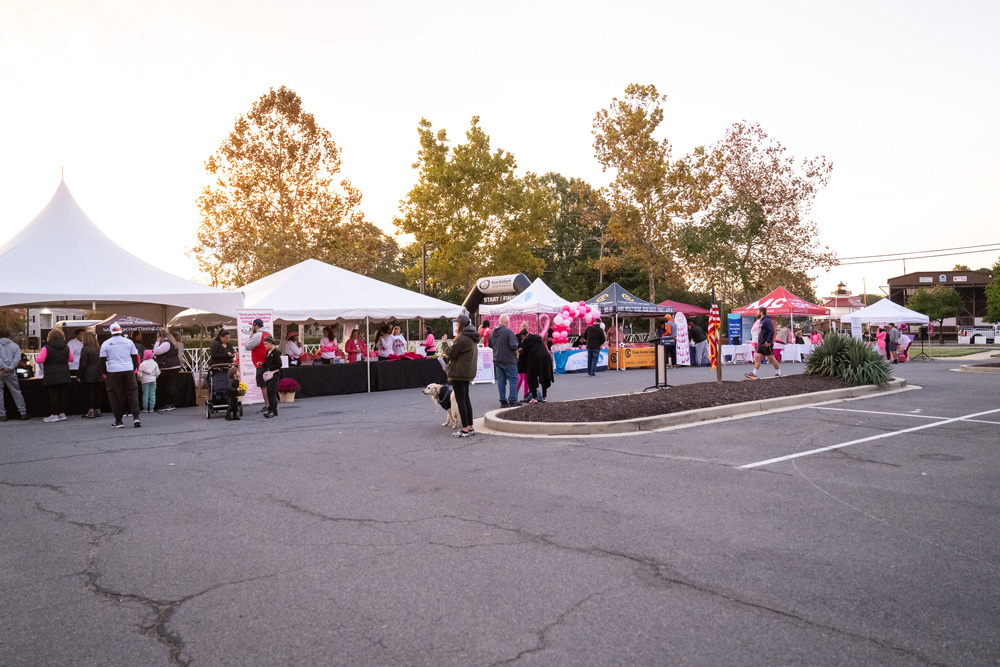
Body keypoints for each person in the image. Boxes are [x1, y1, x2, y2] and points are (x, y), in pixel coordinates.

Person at [100, 322, 141, 428]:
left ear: (111, 332)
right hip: (128, 369)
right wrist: (133, 369)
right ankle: (136, 417)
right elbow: (135, 358)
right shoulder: (129, 342)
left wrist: (105, 373)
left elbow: (102, 361)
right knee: (132, 393)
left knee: (115, 395)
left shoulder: (105, 343)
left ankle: (119, 420)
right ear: (120, 331)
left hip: (113, 371)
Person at [445, 314, 479, 437]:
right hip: (467, 372)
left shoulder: (463, 338)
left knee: (461, 400)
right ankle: (470, 426)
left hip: (459, 373)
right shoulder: (472, 337)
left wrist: (444, 343)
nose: (456, 325)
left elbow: (451, 353)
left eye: (457, 323)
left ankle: (464, 429)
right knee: (466, 399)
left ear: (461, 325)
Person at [37, 328, 74, 422]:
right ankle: (62, 414)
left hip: (51, 375)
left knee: (53, 395)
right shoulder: (66, 347)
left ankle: (54, 415)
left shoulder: (46, 348)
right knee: (62, 394)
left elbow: (39, 360)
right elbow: (71, 359)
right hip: (64, 374)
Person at [489, 314, 519, 407]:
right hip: (509, 360)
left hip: (497, 360)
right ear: (506, 322)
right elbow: (513, 345)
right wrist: (517, 352)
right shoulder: (507, 331)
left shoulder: (492, 332)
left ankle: (503, 400)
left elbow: (490, 345)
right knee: (513, 379)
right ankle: (513, 400)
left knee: (501, 381)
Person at [0, 327, 29, 422]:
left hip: (0, 370)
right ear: (9, 335)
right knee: (16, 391)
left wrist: (4, 367)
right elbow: (17, 359)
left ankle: (2, 415)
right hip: (11, 372)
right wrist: (10, 368)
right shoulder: (15, 346)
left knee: (0, 393)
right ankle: (23, 412)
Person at [244, 318, 272, 413]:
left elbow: (247, 346)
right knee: (269, 385)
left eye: (253, 326)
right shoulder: (268, 334)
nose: (252, 328)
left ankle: (267, 405)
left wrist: (250, 338)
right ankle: (271, 404)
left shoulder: (258, 335)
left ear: (256, 326)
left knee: (263, 386)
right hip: (269, 363)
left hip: (261, 364)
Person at [746, 307, 780, 380]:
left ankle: (778, 372)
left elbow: (771, 331)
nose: (756, 313)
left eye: (757, 311)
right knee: (757, 357)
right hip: (761, 343)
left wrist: (768, 341)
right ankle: (754, 373)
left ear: (761, 312)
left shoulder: (767, 320)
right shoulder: (761, 321)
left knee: (771, 359)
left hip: (766, 343)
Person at [520, 331, 554, 403]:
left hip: (534, 359)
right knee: (544, 376)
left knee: (532, 377)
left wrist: (520, 351)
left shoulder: (526, 341)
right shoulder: (538, 338)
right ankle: (544, 397)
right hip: (546, 357)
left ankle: (535, 397)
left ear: (523, 336)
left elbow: (524, 354)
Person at [152, 329, 182, 411]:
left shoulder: (166, 343)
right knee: (172, 385)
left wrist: (157, 342)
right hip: (174, 365)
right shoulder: (172, 343)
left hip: (168, 367)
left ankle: (169, 404)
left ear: (160, 337)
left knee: (168, 385)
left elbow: (156, 351)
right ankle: (172, 403)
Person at [76, 331, 103, 419]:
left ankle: (90, 411)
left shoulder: (85, 349)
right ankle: (98, 410)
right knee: (98, 392)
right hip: (98, 373)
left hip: (89, 374)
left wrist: (79, 375)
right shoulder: (98, 348)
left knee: (90, 393)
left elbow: (83, 364)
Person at [261, 336, 282, 418]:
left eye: (266, 344)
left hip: (274, 374)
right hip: (269, 374)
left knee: (271, 392)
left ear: (271, 343)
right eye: (264, 344)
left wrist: (270, 368)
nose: (265, 346)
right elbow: (267, 362)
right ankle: (273, 410)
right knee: (269, 392)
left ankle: (272, 410)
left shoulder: (276, 352)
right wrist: (262, 364)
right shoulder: (267, 352)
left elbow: (279, 364)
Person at [516, 322, 530, 402]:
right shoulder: (527, 336)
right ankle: (525, 394)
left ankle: (516, 394)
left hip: (521, 358)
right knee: (524, 378)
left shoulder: (517, 336)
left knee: (521, 378)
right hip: (524, 358)